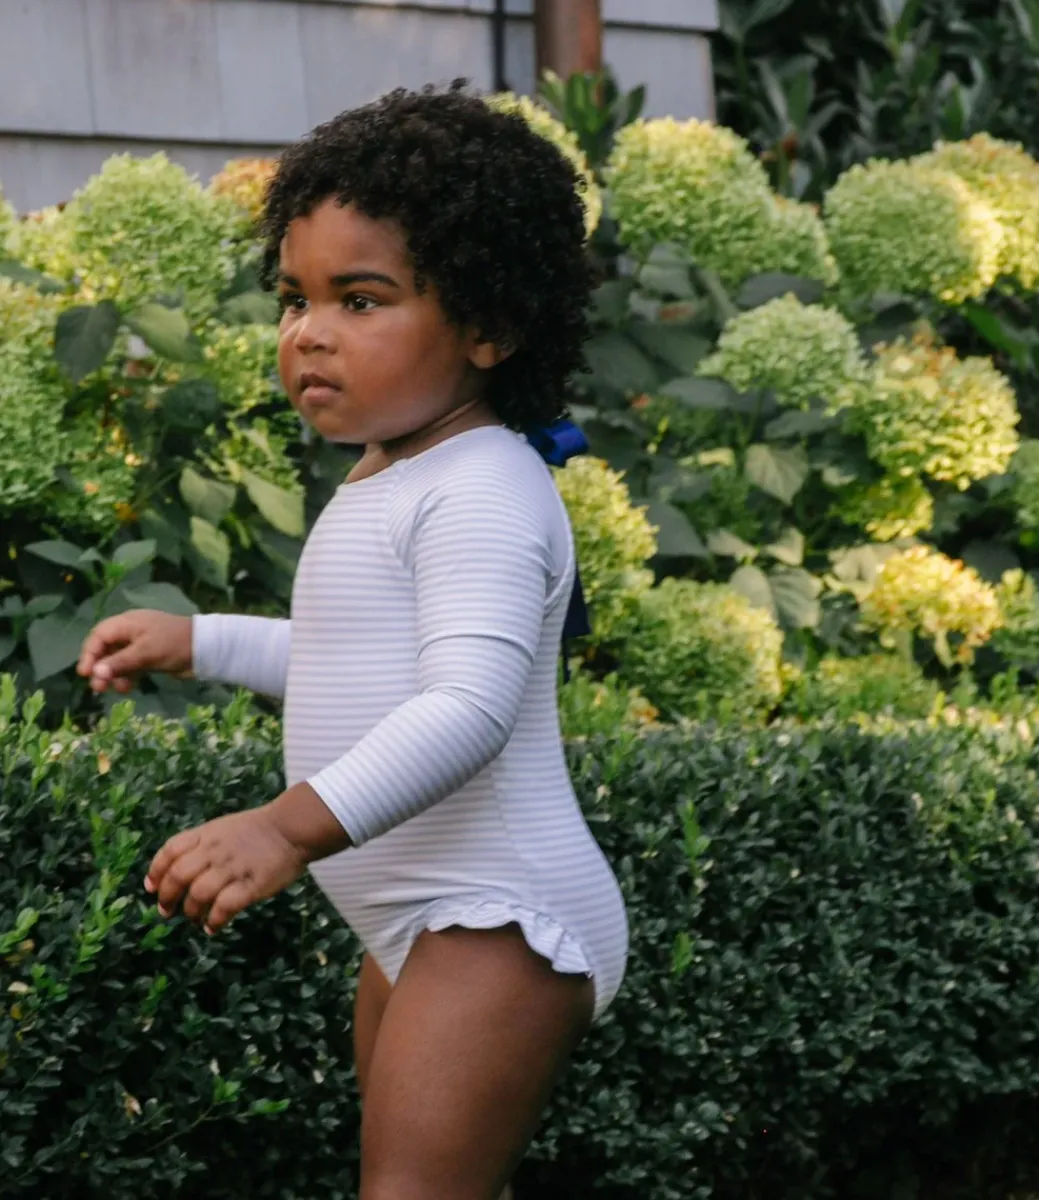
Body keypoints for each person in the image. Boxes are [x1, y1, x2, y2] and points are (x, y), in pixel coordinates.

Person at [76, 84, 628, 1200]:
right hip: (416, 918)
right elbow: (358, 667)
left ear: (489, 326)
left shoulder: (481, 487)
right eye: (294, 298)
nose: (309, 332)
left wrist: (284, 828)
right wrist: (202, 641)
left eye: (362, 299)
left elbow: (466, 709)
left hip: (497, 917)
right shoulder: (397, 470)